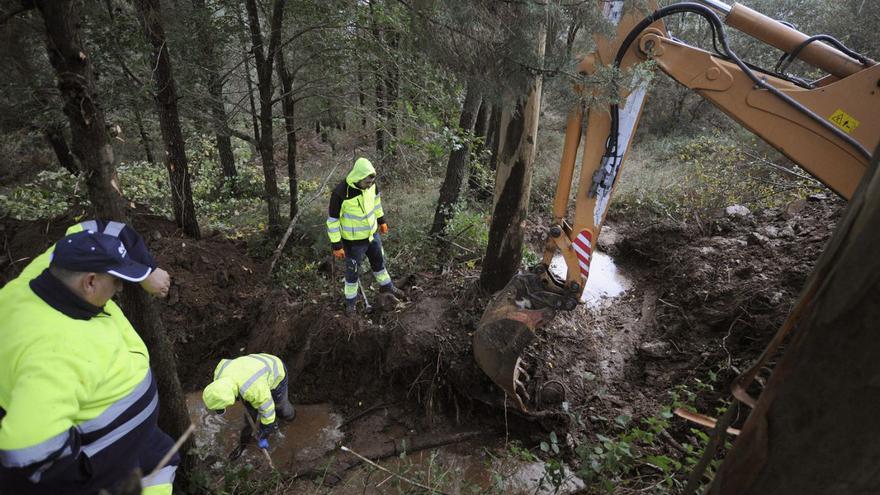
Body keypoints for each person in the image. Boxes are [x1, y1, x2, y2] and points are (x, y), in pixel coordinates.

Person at [0, 220, 177, 495]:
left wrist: (148, 271)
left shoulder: (51, 270)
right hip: (98, 455)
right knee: (158, 465)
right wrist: (89, 478)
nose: (120, 288)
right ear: (90, 282)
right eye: (116, 280)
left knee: (162, 455)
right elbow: (28, 450)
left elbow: (96, 230)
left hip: (130, 437)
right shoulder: (57, 351)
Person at [326, 157, 405, 315]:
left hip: (372, 236)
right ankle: (351, 304)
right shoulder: (340, 193)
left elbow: (376, 204)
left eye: (371, 182)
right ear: (358, 177)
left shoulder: (372, 186)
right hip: (353, 243)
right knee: (352, 273)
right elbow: (333, 221)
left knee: (379, 263)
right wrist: (337, 245)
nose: (370, 185)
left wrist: (381, 220)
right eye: (367, 182)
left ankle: (387, 287)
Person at [202, 353, 295, 450]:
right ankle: (250, 429)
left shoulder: (253, 390)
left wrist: (264, 433)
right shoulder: (219, 374)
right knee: (252, 409)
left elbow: (269, 413)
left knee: (280, 408)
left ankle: (291, 417)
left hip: (276, 371)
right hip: (253, 368)